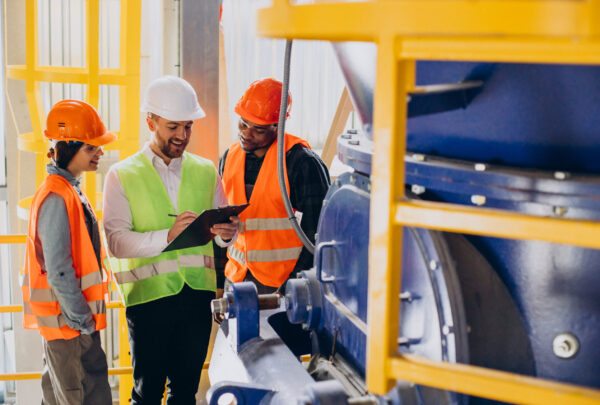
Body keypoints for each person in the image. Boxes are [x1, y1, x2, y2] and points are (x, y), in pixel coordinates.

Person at [102, 75, 239, 404]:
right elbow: (116, 242)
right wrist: (168, 235)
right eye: (173, 127)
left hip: (196, 298)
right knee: (147, 394)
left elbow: (221, 237)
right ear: (150, 121)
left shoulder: (206, 170)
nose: (182, 136)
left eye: (188, 127)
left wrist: (225, 236)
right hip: (148, 301)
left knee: (186, 393)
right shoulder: (121, 175)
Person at [22, 100, 115, 405]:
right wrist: (82, 319)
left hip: (71, 324)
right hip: (70, 326)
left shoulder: (69, 189)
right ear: (67, 148)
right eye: (91, 148)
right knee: (81, 397)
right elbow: (58, 269)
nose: (99, 153)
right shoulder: (57, 196)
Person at [218, 78, 330, 294]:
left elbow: (318, 235)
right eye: (243, 123)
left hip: (281, 287)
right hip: (236, 281)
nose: (246, 133)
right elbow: (222, 225)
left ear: (278, 126)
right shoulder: (229, 158)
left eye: (258, 129)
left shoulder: (302, 164)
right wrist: (220, 285)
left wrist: (294, 288)